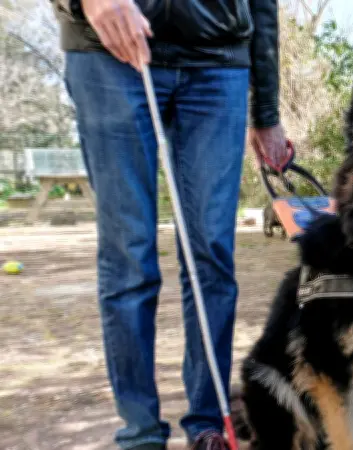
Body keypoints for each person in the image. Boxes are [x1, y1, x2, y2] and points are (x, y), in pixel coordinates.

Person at [50, 0, 291, 448]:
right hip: (108, 50)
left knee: (212, 257)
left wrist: (267, 112)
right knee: (130, 255)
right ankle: (140, 434)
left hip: (219, 62)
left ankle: (207, 424)